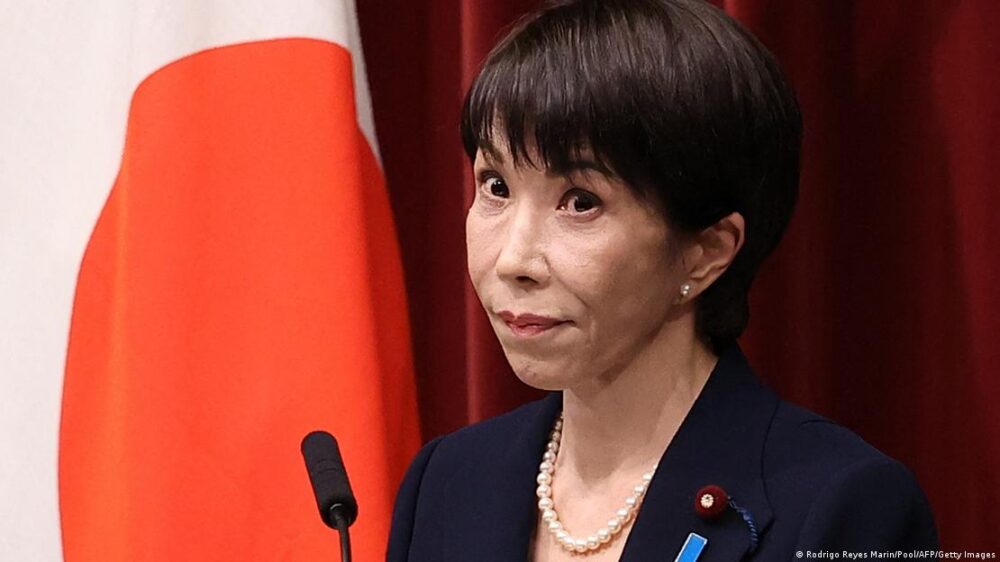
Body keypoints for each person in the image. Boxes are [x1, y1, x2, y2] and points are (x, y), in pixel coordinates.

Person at [387, 0, 939, 560]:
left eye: (580, 202)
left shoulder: (842, 507)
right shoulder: (447, 482)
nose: (513, 260)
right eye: (496, 186)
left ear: (705, 253)